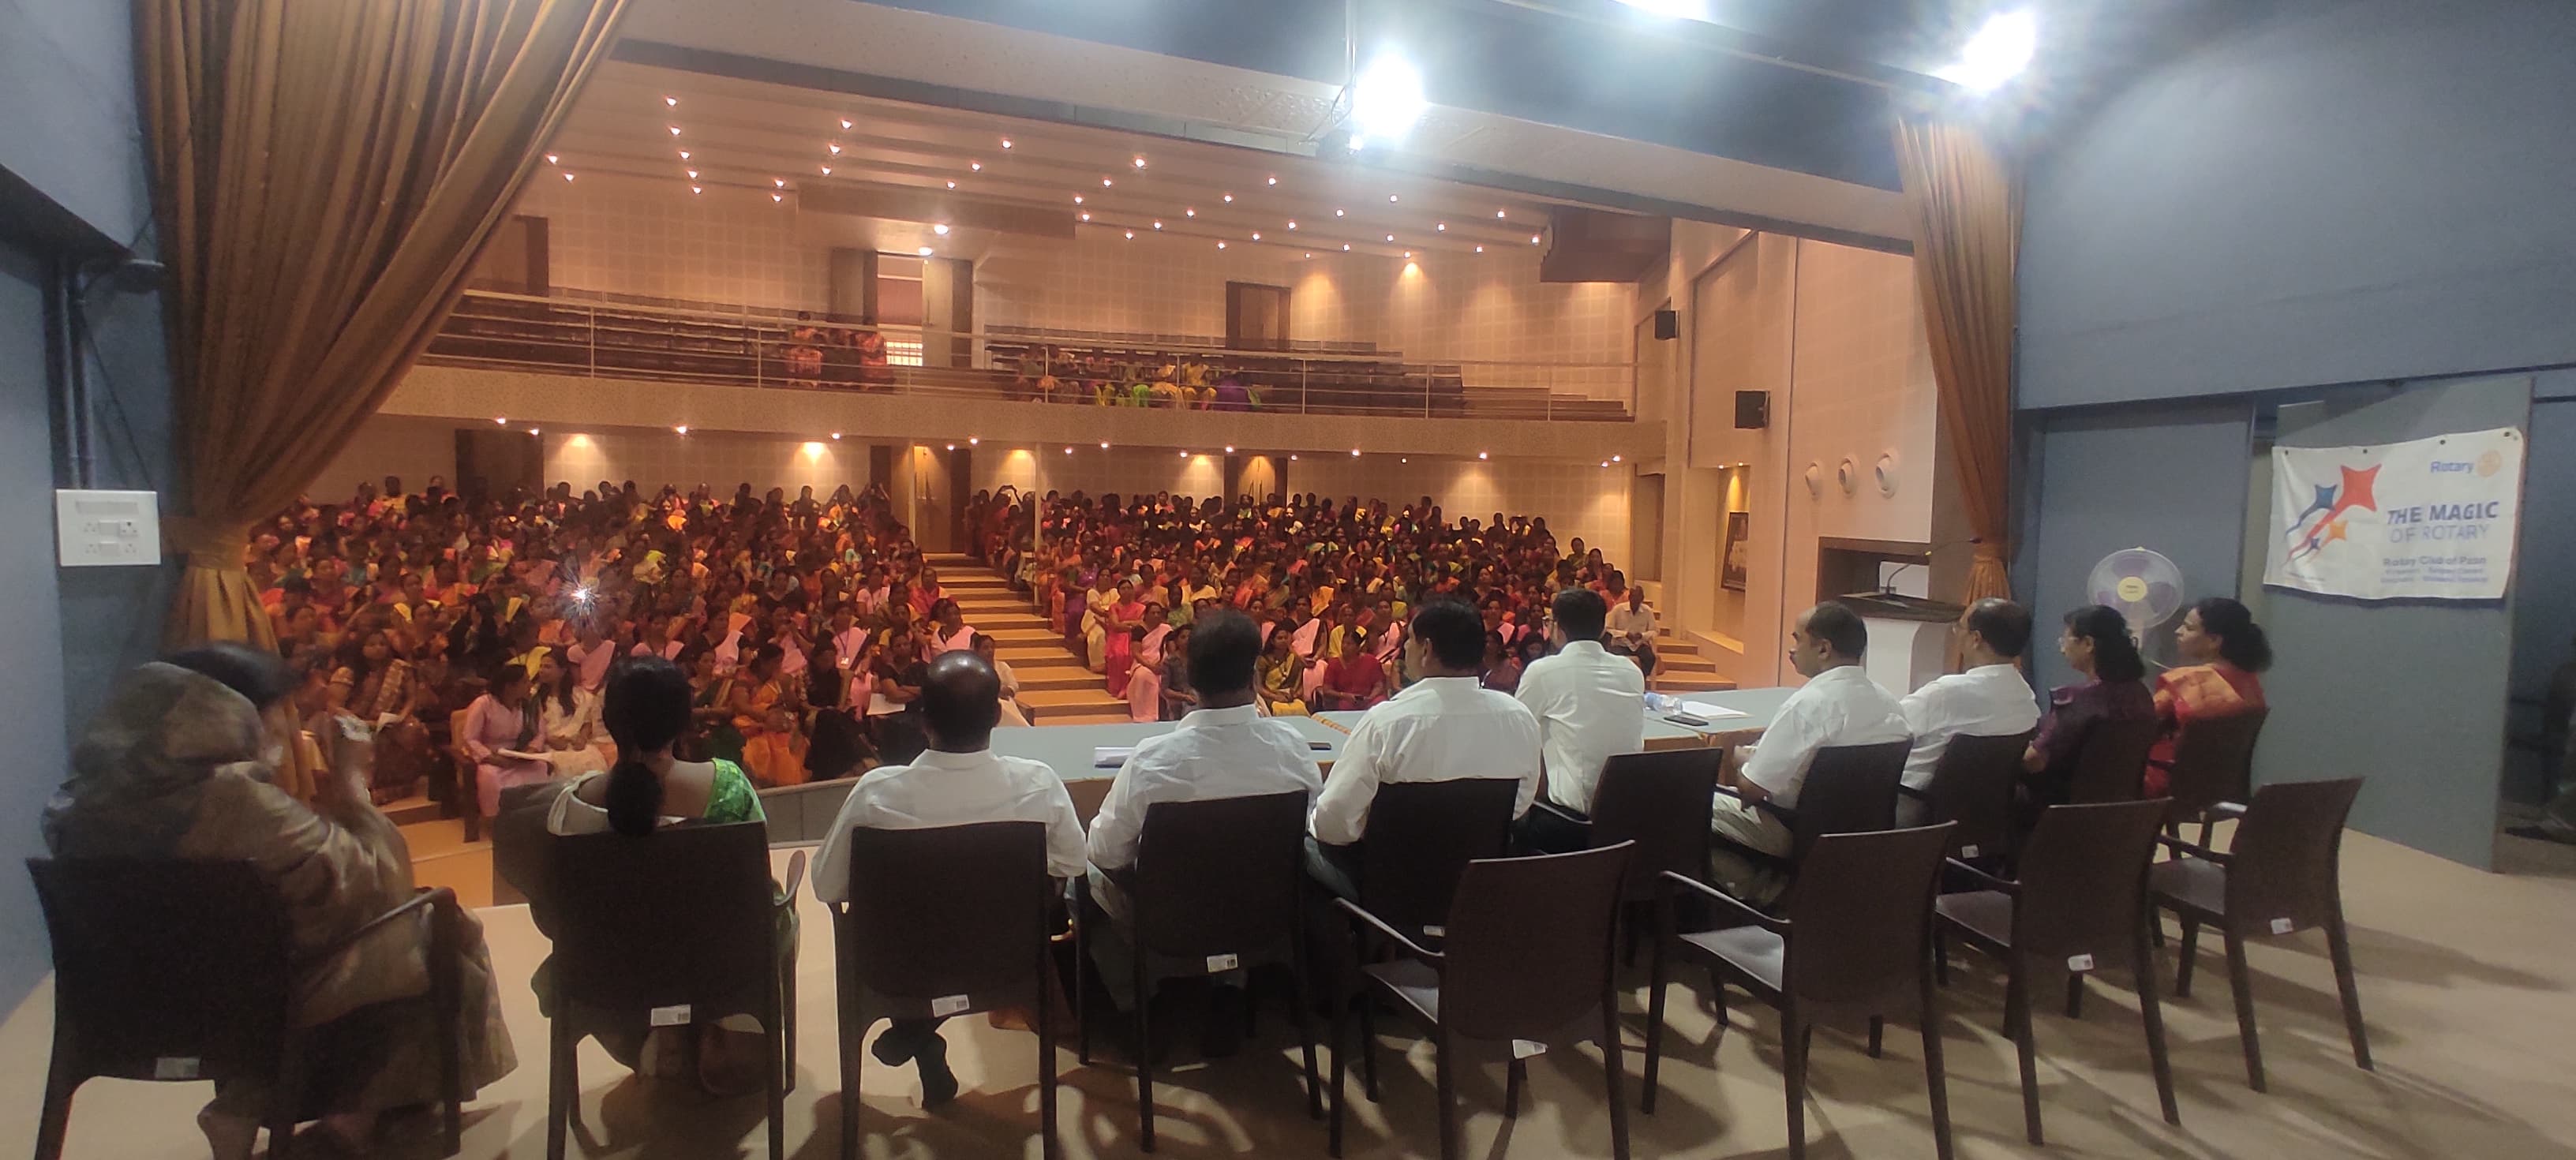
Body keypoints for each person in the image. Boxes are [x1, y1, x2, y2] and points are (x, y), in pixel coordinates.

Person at [44, 646, 515, 1158]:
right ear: (230, 712)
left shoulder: (77, 805)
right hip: (247, 1005)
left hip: (126, 1005)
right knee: (431, 923)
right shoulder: (234, 802)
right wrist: (353, 784)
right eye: (278, 710)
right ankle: (349, 1122)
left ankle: (251, 1098)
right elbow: (378, 882)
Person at [811, 652, 1086, 1105]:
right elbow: (1073, 863)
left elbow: (827, 886)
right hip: (1006, 957)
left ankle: (916, 1028)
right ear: (996, 716)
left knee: (907, 914)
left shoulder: (876, 794)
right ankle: (919, 1031)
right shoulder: (1038, 784)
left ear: (923, 720)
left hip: (901, 965)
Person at [1084, 612, 1323, 1034]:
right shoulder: (1293, 749)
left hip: (1169, 925)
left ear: (1190, 678)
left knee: (1081, 875)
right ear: (1253, 676)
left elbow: (1105, 851)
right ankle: (1231, 983)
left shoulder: (1153, 760)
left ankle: (1138, 1008)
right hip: (1265, 918)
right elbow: (1311, 828)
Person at [545, 657, 773, 1091]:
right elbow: (754, 892)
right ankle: (716, 1033)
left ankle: (657, 1037)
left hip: (611, 974)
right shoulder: (728, 787)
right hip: (717, 970)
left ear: (610, 721)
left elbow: (555, 910)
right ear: (684, 721)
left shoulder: (571, 806)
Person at [1308, 598, 1544, 900]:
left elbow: (1333, 825)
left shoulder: (1387, 723)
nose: (1405, 648)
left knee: (1307, 844)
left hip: (1390, 890)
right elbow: (1518, 805)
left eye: (1409, 640)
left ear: (1427, 649)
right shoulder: (1519, 718)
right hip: (1477, 890)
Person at [1709, 602, 1909, 905]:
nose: (1792, 649)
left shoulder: (1809, 704)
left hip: (1793, 829)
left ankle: (1768, 893)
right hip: (1860, 834)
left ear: (1824, 649)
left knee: (1689, 805)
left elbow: (1750, 790)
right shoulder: (1890, 704)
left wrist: (1736, 757)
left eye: (1797, 639)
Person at [1515, 588, 1648, 853]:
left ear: (1557, 628)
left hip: (1569, 823)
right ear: (1602, 628)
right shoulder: (1631, 671)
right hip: (1625, 818)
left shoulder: (1543, 671)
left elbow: (1517, 733)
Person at [1896, 598, 2042, 824]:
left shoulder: (1946, 693)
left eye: (1960, 627)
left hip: (1915, 808)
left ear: (1976, 639)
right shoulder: (2026, 697)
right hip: (1986, 817)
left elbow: (1889, 729)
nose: (1956, 633)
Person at [2024, 604, 2156, 805]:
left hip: (2061, 810)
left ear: (2088, 644)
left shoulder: (2078, 700)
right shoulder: (2142, 693)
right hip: (2123, 810)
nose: (2062, 649)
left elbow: (2034, 761)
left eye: (2065, 641)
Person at [2147, 596, 2272, 797]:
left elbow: (2138, 726)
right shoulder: (2251, 684)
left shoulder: (2186, 682)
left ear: (2214, 640)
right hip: (2220, 787)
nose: (2178, 631)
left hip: (2166, 783)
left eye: (2188, 628)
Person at [463, 663, 552, 823]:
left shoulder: (530, 704)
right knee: (491, 776)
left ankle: (534, 817)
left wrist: (531, 751)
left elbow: (540, 733)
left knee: (539, 767)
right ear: (509, 686)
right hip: (492, 756)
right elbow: (470, 738)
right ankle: (501, 820)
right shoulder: (483, 704)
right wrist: (492, 758)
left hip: (519, 753)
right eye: (525, 682)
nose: (530, 686)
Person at [1314, 627, 1389, 712]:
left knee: (1381, 701)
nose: (1344, 646)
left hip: (1368, 701)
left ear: (1358, 647)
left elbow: (1379, 685)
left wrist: (1370, 698)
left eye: (1349, 644)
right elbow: (1327, 690)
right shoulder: (1334, 663)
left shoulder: (1371, 661)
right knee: (1344, 705)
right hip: (1346, 702)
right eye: (1343, 643)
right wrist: (1345, 696)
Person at [1606, 582, 1659, 683]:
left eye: (1638, 599)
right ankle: (1620, 682)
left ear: (1642, 599)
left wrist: (1642, 636)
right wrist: (1625, 634)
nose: (1636, 601)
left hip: (1639, 645)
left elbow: (1655, 631)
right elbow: (1608, 628)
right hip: (1621, 644)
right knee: (1616, 658)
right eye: (1634, 598)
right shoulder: (1618, 609)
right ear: (1629, 597)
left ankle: (1640, 680)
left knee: (1650, 657)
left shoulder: (1647, 611)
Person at [1256, 627, 1309, 717]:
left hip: (1289, 697)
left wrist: (1295, 695)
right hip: (1270, 697)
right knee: (1279, 709)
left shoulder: (1293, 658)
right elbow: (1259, 687)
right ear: (1272, 641)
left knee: (1300, 708)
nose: (1284, 640)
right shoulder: (1264, 660)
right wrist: (1276, 697)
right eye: (1280, 638)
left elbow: (1300, 685)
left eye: (1286, 638)